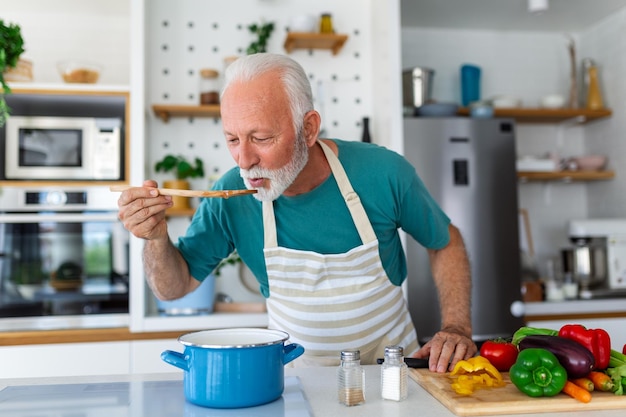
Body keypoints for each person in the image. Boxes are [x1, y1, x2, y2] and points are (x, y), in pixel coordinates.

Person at [117, 53, 477, 371]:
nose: (245, 160)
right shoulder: (230, 196)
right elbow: (172, 287)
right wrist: (155, 238)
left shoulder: (382, 172)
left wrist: (457, 327)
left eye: (261, 138)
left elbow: (446, 242)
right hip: (295, 384)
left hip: (394, 376)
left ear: (308, 129)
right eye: (232, 139)